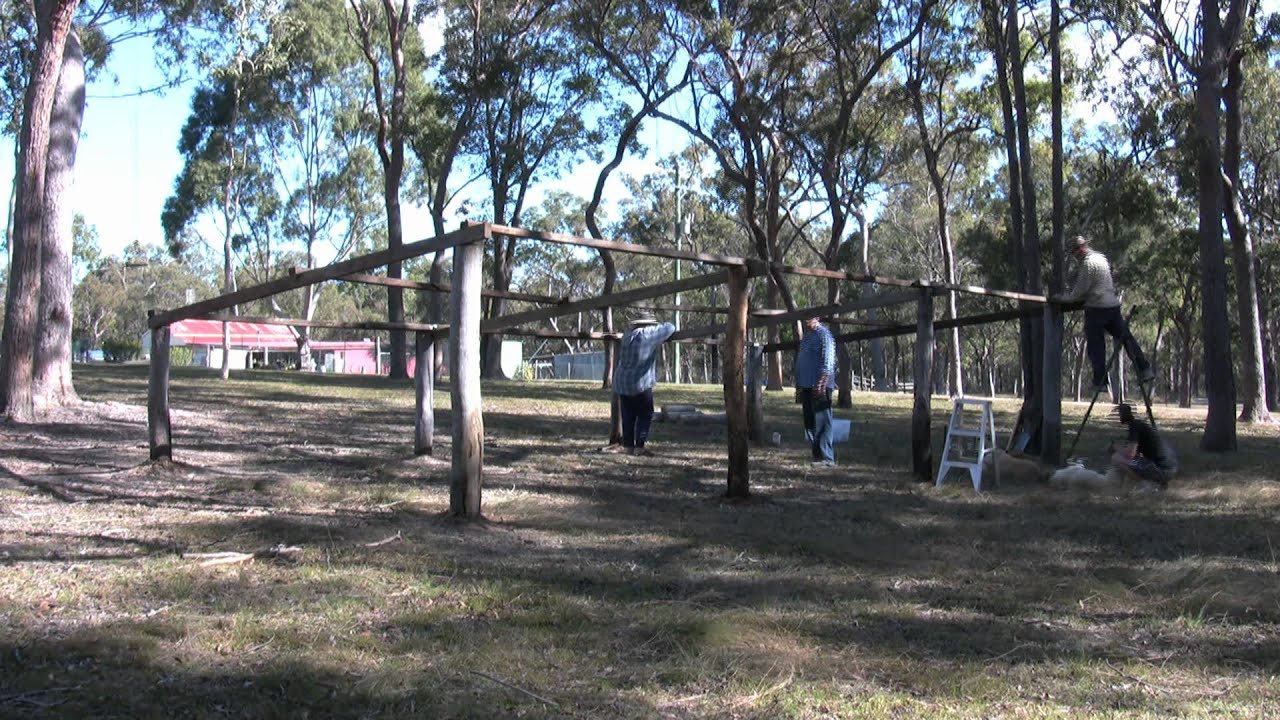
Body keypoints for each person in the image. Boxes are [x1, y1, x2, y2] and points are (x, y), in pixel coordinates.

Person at [1053, 234, 1154, 394]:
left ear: (1080, 249)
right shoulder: (1102, 258)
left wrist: (1062, 299)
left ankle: (1100, 381)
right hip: (1112, 305)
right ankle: (1144, 369)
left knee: (1096, 346)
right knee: (1126, 338)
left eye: (1075, 252)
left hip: (1096, 308)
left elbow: (1080, 291)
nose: (1075, 256)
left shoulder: (1088, 264)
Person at [610, 311, 676, 456]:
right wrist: (659, 325)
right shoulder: (648, 334)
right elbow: (670, 327)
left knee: (628, 415)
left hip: (622, 381)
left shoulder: (627, 335)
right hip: (640, 382)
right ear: (649, 324)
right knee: (645, 414)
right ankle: (639, 446)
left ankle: (628, 446)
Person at [795, 315, 838, 466]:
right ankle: (817, 454)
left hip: (820, 384)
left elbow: (829, 357)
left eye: (810, 317)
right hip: (806, 384)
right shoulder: (806, 338)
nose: (806, 321)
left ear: (817, 318)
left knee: (823, 421)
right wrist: (799, 385)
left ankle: (828, 457)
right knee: (810, 422)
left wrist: (823, 379)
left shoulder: (824, 334)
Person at [1110, 403, 1178, 489]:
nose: (1119, 417)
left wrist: (1115, 447)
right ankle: (1155, 483)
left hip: (1161, 470)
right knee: (1130, 461)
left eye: (1119, 414)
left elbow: (1130, 454)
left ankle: (1148, 485)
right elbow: (1135, 453)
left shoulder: (1134, 427)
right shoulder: (1140, 425)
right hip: (1170, 468)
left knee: (1116, 458)